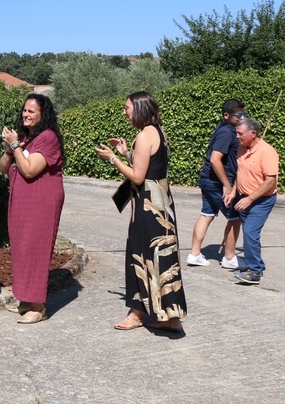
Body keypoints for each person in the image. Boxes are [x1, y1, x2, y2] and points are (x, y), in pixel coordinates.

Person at [95, 91, 186, 332]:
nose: (125, 111)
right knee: (162, 257)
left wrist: (114, 159)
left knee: (139, 255)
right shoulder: (158, 131)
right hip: (162, 205)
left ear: (140, 108)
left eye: (127, 107)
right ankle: (171, 317)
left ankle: (136, 314)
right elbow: (150, 166)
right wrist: (127, 153)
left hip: (147, 207)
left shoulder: (145, 135)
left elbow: (137, 176)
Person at [0, 94, 66, 325]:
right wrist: (10, 149)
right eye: (24, 110)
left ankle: (38, 306)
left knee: (36, 247)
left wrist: (15, 144)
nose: (26, 114)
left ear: (42, 114)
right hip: (23, 201)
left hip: (41, 201)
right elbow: (3, 169)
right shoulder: (27, 137)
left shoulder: (48, 138)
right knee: (22, 248)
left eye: (31, 111)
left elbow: (28, 170)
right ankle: (26, 300)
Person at [187, 99, 245, 268]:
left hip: (208, 180)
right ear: (226, 115)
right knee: (235, 218)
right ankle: (229, 258)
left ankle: (195, 255)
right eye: (238, 115)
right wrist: (227, 185)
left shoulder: (224, 128)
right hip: (217, 183)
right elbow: (215, 159)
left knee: (207, 214)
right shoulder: (227, 132)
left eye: (243, 114)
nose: (242, 117)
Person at [224, 117, 279, 285]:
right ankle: (256, 264)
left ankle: (254, 272)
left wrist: (250, 198)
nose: (237, 137)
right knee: (250, 234)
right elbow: (240, 174)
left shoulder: (267, 152)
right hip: (243, 198)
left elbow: (270, 180)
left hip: (261, 200)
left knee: (250, 233)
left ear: (253, 133)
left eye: (240, 134)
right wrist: (234, 192)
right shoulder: (242, 148)